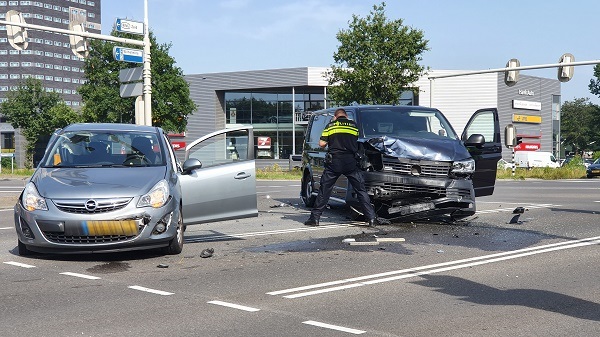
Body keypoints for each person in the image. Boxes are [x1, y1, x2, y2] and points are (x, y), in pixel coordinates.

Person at [304, 108, 379, 227]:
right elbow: (355, 140)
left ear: (335, 116)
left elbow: (322, 144)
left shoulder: (331, 125)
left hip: (335, 162)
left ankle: (315, 219)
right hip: (350, 162)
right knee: (361, 190)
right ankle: (371, 219)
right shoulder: (354, 126)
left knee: (324, 190)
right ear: (346, 116)